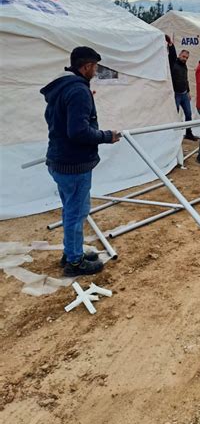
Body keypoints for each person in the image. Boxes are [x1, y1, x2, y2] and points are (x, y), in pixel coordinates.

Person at [40, 46, 121, 276]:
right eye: (94, 67)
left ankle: (71, 252)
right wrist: (107, 136)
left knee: (71, 210)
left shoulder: (64, 86)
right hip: (73, 164)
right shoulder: (77, 91)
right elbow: (78, 132)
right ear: (86, 67)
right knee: (77, 212)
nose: (96, 71)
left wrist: (82, 103)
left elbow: (58, 119)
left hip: (59, 159)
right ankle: (75, 263)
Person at [165, 35, 198, 141]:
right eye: (183, 56)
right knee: (174, 114)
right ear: (179, 55)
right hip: (175, 94)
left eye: (186, 57)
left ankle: (189, 132)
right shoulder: (174, 63)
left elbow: (186, 79)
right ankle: (171, 134)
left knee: (188, 114)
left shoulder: (184, 66)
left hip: (184, 94)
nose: (185, 59)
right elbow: (171, 55)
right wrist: (170, 44)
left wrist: (188, 91)